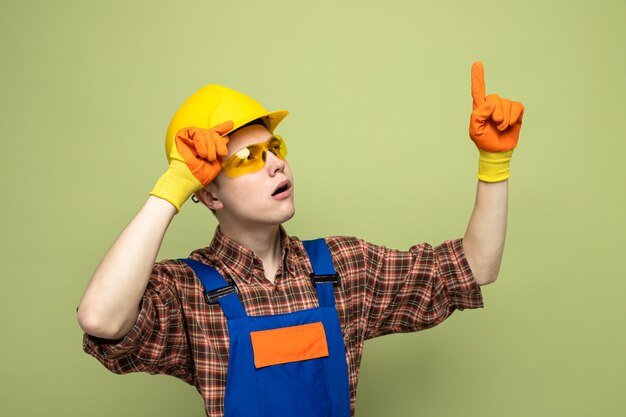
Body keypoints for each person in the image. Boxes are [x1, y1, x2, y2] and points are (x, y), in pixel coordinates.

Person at [77, 61, 524, 417]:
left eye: (275, 148)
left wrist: (494, 164)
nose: (275, 164)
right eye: (248, 157)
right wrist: (174, 187)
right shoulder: (189, 293)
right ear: (209, 192)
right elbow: (101, 318)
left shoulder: (344, 267)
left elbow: (474, 267)